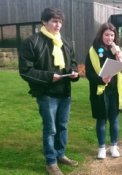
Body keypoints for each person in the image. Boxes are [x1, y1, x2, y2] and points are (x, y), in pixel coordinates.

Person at [18, 7, 79, 175]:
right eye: (54, 21)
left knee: (63, 126)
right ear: (44, 22)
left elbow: (72, 62)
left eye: (60, 21)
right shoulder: (32, 42)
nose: (58, 25)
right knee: (50, 129)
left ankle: (60, 154)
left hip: (64, 92)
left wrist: (74, 72)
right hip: (46, 93)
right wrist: (48, 77)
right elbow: (25, 70)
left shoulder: (64, 42)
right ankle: (51, 162)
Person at [85, 22, 122, 159]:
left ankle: (114, 146)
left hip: (115, 90)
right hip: (99, 91)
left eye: (112, 35)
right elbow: (89, 73)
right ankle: (101, 148)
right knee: (101, 120)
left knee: (114, 119)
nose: (109, 38)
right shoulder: (93, 50)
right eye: (107, 35)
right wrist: (101, 80)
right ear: (101, 35)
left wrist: (119, 57)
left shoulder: (118, 49)